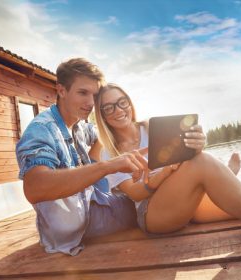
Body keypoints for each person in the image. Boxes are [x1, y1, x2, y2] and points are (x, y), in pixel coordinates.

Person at [94, 83, 241, 273]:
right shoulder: (108, 149)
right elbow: (135, 193)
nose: (118, 110)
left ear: (129, 102)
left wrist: (196, 144)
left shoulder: (152, 128)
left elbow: (188, 160)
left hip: (187, 200)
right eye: (109, 107)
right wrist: (166, 171)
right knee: (204, 161)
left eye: (121, 102)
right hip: (153, 214)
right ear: (102, 114)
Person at [15, 58, 151, 256]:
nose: (90, 103)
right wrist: (107, 167)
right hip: (76, 226)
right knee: (145, 204)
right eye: (82, 93)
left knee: (143, 191)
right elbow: (35, 187)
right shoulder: (41, 130)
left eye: (94, 96)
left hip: (92, 202)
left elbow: (100, 136)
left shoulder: (79, 124)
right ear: (61, 90)